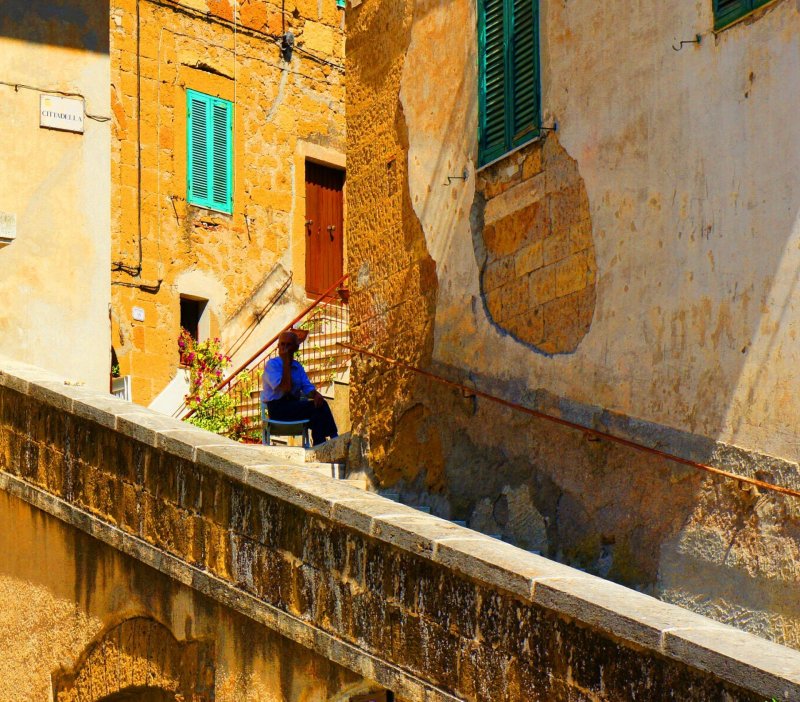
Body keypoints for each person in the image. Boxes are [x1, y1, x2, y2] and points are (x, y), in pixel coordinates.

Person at [261, 330, 338, 446]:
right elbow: (286, 388)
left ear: (296, 348)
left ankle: (322, 445)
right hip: (278, 409)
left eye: (288, 345)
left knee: (319, 407)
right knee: (315, 410)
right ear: (278, 347)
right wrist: (286, 362)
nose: (285, 348)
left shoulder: (297, 367)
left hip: (294, 406)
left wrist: (316, 395)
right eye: (282, 344)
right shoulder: (272, 365)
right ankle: (332, 439)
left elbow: (307, 387)